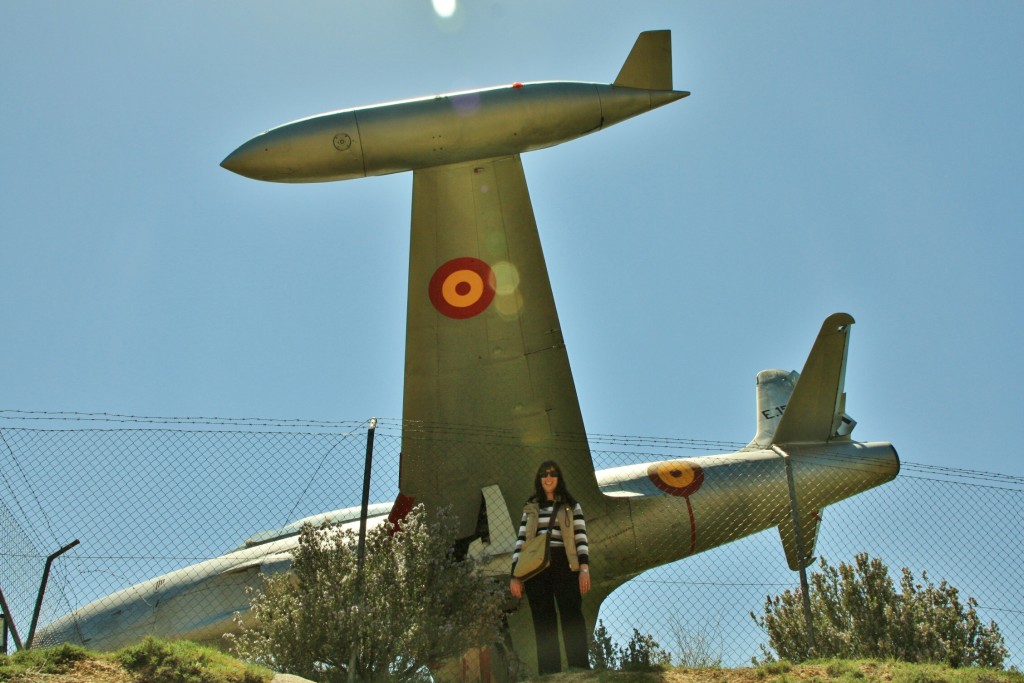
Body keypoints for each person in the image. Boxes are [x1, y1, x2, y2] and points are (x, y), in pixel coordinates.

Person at [509, 460, 591, 674]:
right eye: (544, 474)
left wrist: (584, 568)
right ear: (539, 478)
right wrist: (515, 575)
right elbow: (521, 542)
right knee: (543, 618)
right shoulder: (531, 507)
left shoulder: (571, 505)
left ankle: (579, 667)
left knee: (571, 614)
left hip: (565, 562)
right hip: (536, 568)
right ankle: (549, 672)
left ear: (559, 478)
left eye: (553, 474)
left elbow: (580, 537)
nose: (548, 477)